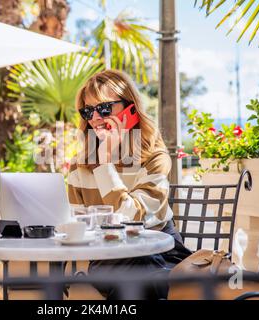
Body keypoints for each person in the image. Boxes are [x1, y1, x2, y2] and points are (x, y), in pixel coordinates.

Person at [67, 70, 191, 299]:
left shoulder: (155, 158)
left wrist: (105, 164)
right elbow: (79, 226)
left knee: (142, 270)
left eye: (104, 108)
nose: (95, 118)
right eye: (88, 111)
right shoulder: (79, 167)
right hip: (109, 258)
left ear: (130, 109)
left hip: (162, 252)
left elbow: (134, 221)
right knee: (140, 275)